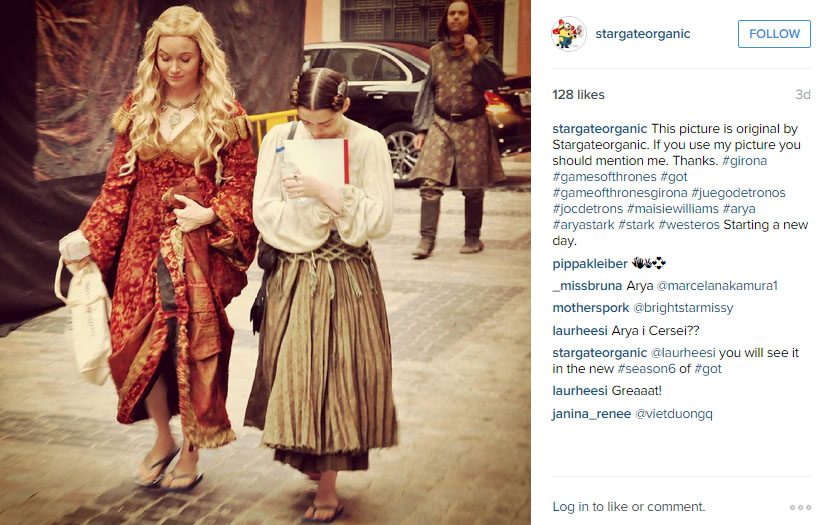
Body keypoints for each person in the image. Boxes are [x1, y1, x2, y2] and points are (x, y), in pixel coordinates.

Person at [59, 5, 258, 491]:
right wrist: (89, 236)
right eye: (164, 58)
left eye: (184, 58)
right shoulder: (139, 108)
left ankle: (192, 448)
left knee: (188, 346)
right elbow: (117, 187)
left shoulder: (225, 115)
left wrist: (211, 216)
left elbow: (242, 185)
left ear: (202, 58)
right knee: (134, 345)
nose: (173, 68)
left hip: (195, 249)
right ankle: (163, 439)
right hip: (139, 248)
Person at [246, 67, 397, 523]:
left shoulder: (369, 142)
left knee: (337, 376)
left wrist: (328, 193)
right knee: (296, 375)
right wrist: (312, 218)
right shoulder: (280, 138)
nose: (314, 130)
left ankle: (328, 486)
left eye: (325, 122)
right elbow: (263, 209)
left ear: (344, 106)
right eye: (306, 121)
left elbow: (380, 219)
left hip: (346, 277)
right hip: (293, 276)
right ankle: (312, 456)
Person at [410, 0, 506, 259]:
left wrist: (476, 57)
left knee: (473, 187)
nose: (456, 17)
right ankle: (426, 239)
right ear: (446, 19)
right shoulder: (436, 52)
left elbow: (495, 82)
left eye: (461, 13)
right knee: (430, 183)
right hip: (440, 123)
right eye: (452, 13)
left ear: (469, 19)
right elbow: (429, 90)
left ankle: (473, 237)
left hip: (473, 124)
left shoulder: (483, 49)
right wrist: (422, 128)